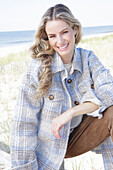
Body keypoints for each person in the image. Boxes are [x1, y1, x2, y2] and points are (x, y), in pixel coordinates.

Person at [10, 4, 113, 170]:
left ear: (75, 30)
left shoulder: (88, 58)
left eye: (64, 32)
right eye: (52, 36)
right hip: (50, 145)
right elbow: (24, 124)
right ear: (47, 39)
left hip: (81, 136)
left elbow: (110, 91)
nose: (60, 41)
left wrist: (71, 112)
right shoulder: (37, 69)